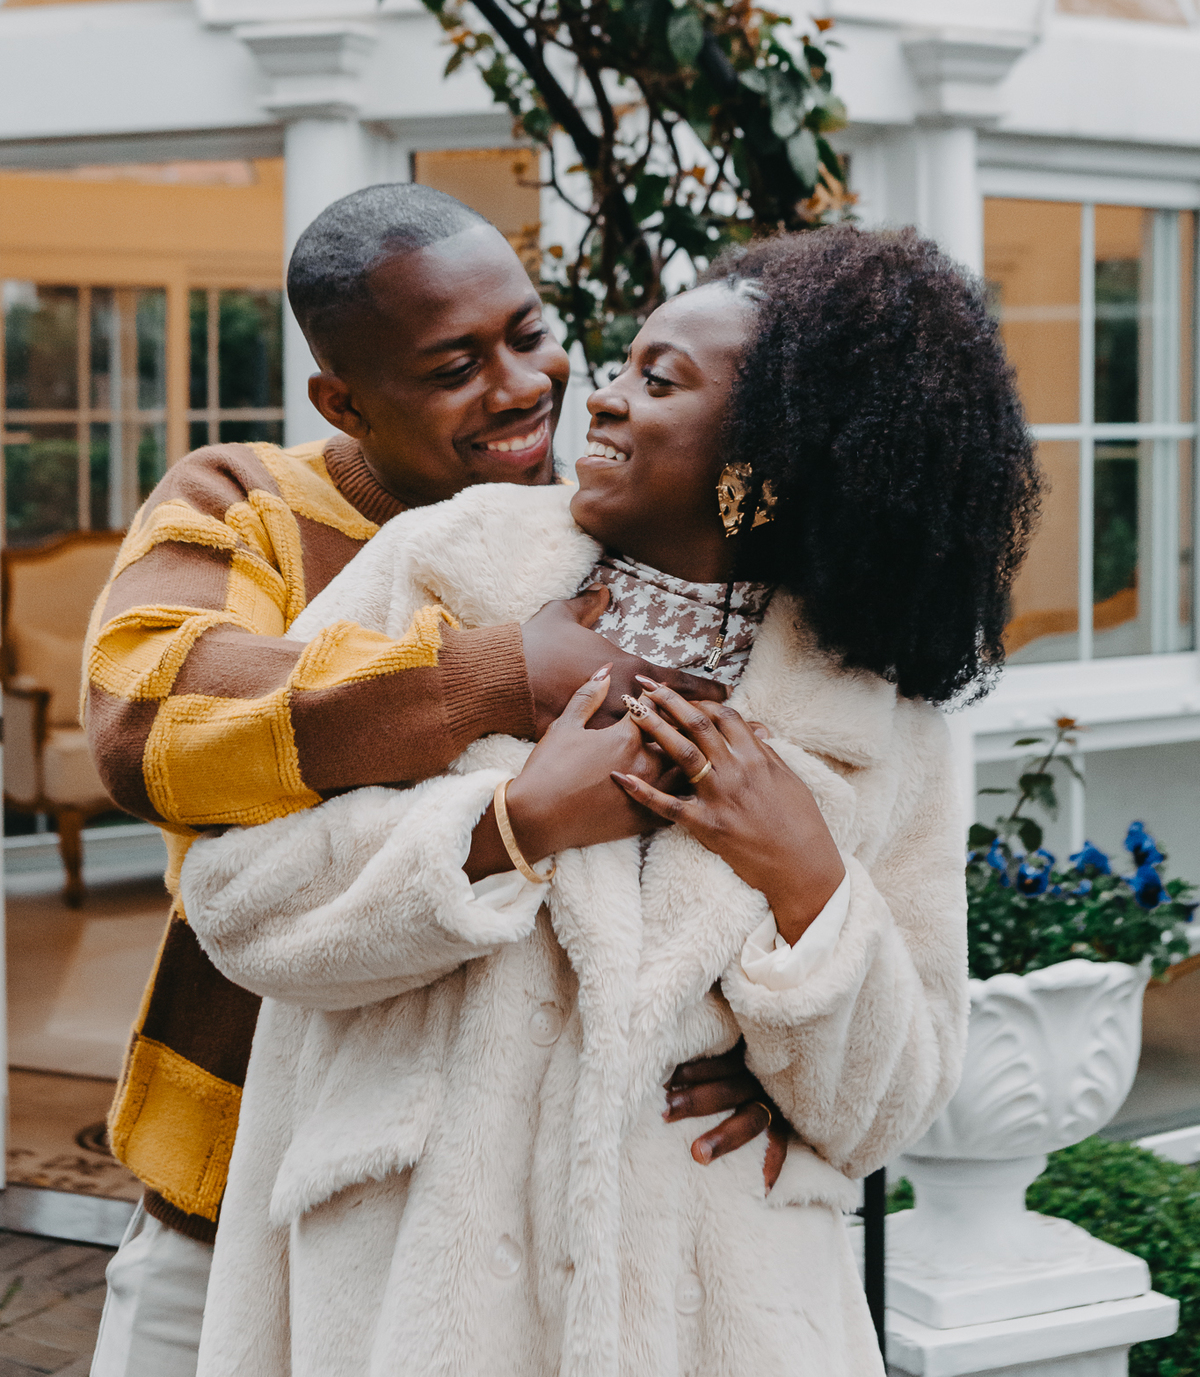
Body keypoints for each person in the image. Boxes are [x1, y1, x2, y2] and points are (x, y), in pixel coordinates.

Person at [180, 226, 1041, 1377]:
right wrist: (510, 827)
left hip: (718, 1327)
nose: (600, 397)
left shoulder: (879, 724)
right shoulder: (442, 569)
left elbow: (891, 1107)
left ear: (764, 456)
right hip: (425, 1303)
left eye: (660, 381)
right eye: (624, 364)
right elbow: (237, 897)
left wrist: (808, 880)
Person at [83, 184, 772, 1377]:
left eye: (528, 332)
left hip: (483, 1233)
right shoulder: (244, 503)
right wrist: (501, 675)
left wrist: (771, 1051)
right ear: (343, 401)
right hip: (226, 1177)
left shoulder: (614, 522)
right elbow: (148, 717)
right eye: (455, 366)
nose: (520, 385)